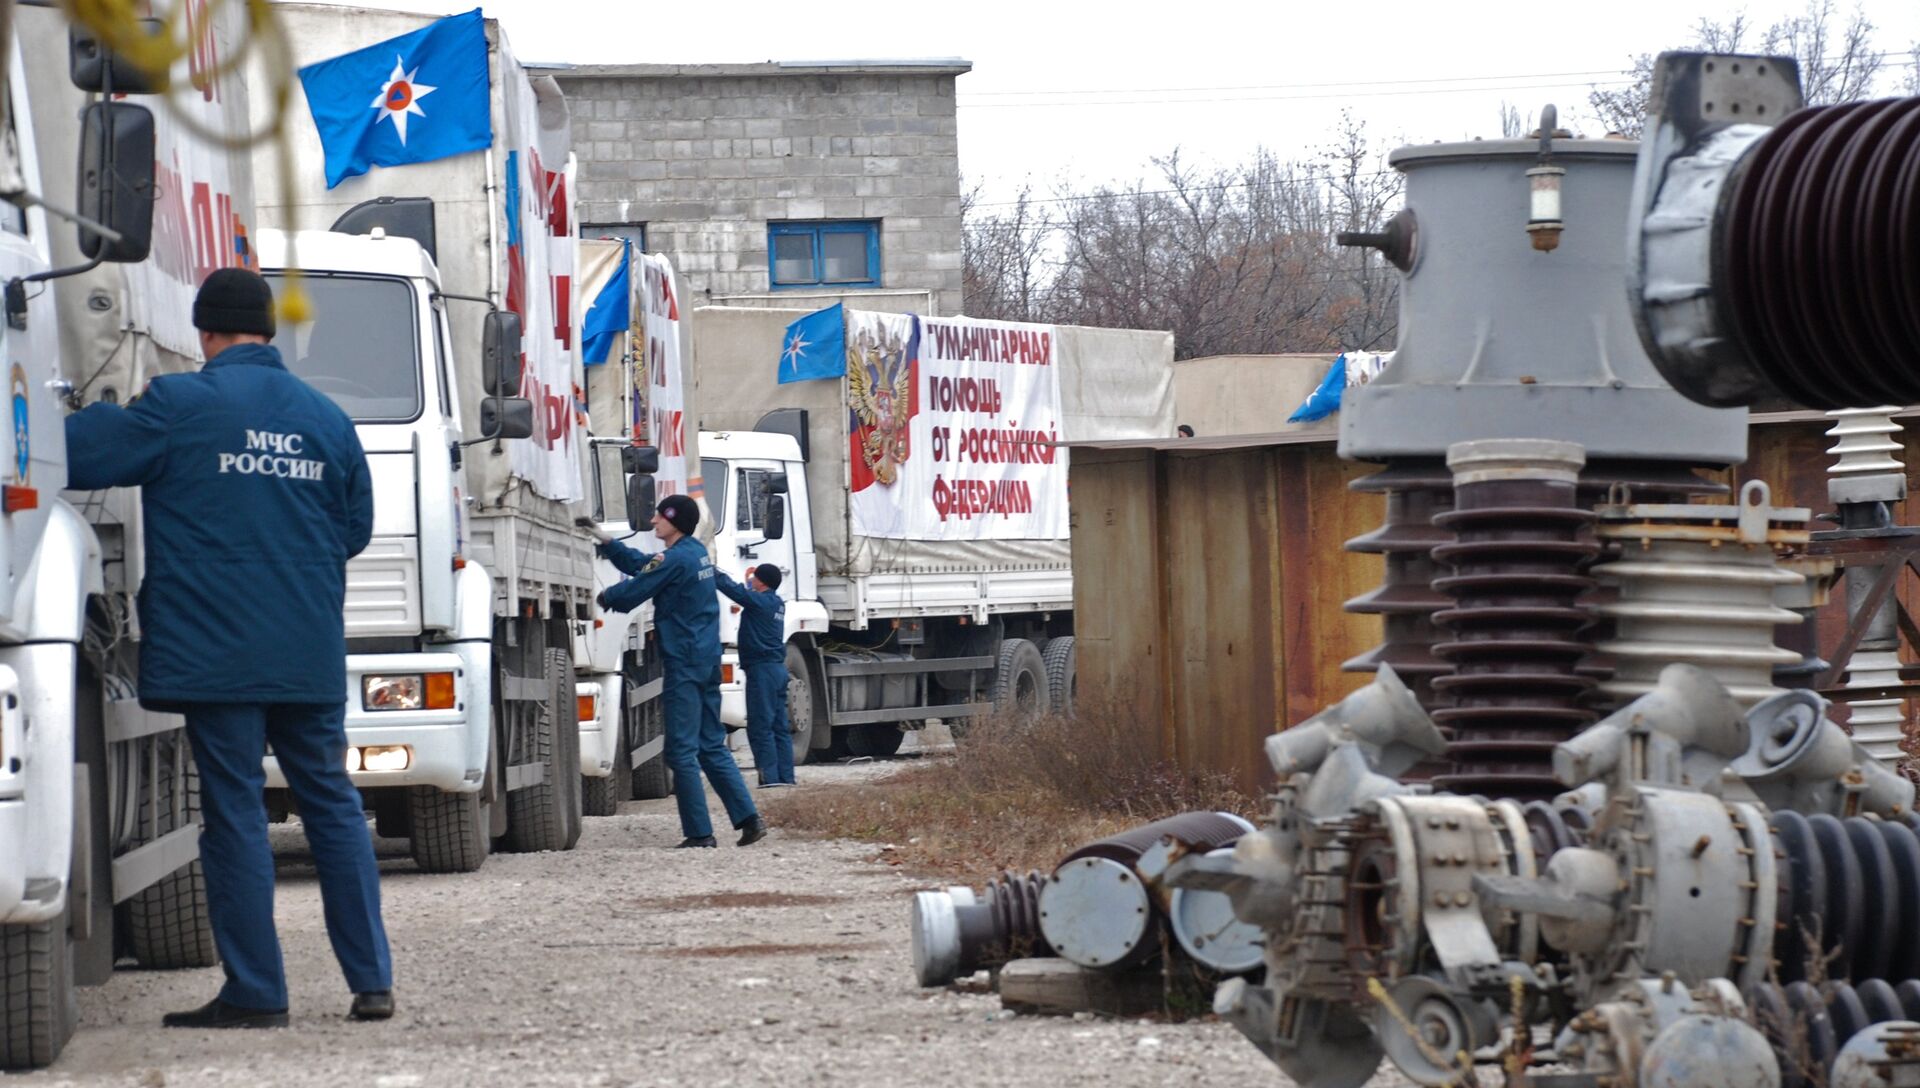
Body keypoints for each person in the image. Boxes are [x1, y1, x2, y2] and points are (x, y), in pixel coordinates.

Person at [64, 269, 392, 1028]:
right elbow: (354, 531)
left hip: (218, 653)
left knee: (236, 811)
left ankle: (257, 991)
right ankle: (372, 981)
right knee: (334, 808)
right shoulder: (325, 418)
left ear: (205, 333)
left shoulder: (183, 404)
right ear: (269, 333)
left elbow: (77, 455)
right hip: (305, 648)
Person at [598, 495, 768, 848]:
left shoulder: (677, 559)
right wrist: (610, 545)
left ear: (676, 521)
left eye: (661, 514)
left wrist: (605, 597)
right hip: (704, 659)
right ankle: (749, 819)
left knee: (680, 750)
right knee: (711, 745)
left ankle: (700, 834)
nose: (654, 518)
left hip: (686, 663)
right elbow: (648, 566)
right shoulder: (693, 553)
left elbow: (637, 588)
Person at [713, 563, 796, 788]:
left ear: (762, 581)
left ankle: (769, 778)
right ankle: (786, 777)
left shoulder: (761, 602)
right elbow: (747, 593)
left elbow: (735, 591)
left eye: (755, 578)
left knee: (761, 725)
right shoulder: (777, 603)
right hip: (777, 670)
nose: (752, 580)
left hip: (762, 671)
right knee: (779, 726)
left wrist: (713, 571)